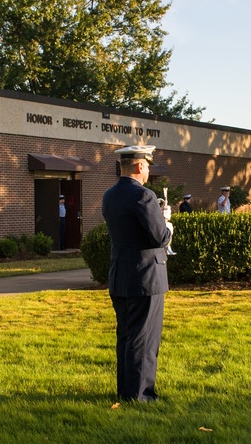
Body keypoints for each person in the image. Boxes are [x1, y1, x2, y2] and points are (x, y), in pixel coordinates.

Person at [101, 145, 173, 402]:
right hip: (145, 278)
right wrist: (166, 222)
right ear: (140, 166)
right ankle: (140, 395)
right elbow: (159, 237)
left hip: (120, 274)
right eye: (148, 165)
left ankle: (126, 390)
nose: (148, 170)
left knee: (127, 336)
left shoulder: (109, 195)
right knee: (144, 340)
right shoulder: (144, 195)